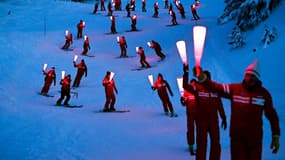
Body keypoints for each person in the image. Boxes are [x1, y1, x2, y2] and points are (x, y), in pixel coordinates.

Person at [188, 60, 281, 160]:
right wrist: (202, 78)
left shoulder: (264, 94)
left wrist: (275, 134)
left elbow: (272, 115)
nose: (250, 78)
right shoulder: (235, 89)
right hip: (237, 140)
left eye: (253, 76)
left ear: (257, 78)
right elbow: (217, 88)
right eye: (248, 75)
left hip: (255, 140)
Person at [183, 67, 227, 160]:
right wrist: (186, 72)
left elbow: (220, 105)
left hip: (213, 122)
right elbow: (185, 86)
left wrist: (223, 117)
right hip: (201, 122)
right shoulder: (198, 89)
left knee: (215, 144)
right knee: (202, 145)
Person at [180, 79, 197, 155]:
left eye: (194, 84)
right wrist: (183, 100)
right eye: (192, 84)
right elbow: (184, 104)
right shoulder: (187, 93)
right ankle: (191, 145)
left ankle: (198, 145)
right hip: (190, 114)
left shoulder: (198, 92)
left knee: (200, 130)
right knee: (191, 129)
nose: (193, 85)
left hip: (198, 114)